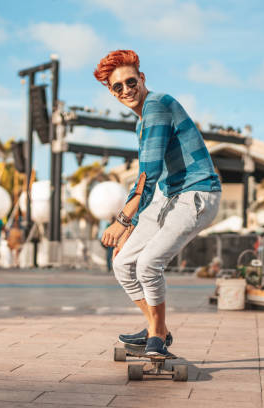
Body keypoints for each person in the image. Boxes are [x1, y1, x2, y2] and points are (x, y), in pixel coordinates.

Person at [95, 50, 222, 357]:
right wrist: (133, 225)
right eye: (118, 87)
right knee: (123, 263)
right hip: (168, 196)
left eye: (130, 81)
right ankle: (157, 328)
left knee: (148, 264)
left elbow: (149, 171)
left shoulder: (159, 105)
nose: (126, 90)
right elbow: (148, 181)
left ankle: (157, 336)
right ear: (111, 92)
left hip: (196, 193)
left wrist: (123, 220)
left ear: (142, 78)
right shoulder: (141, 124)